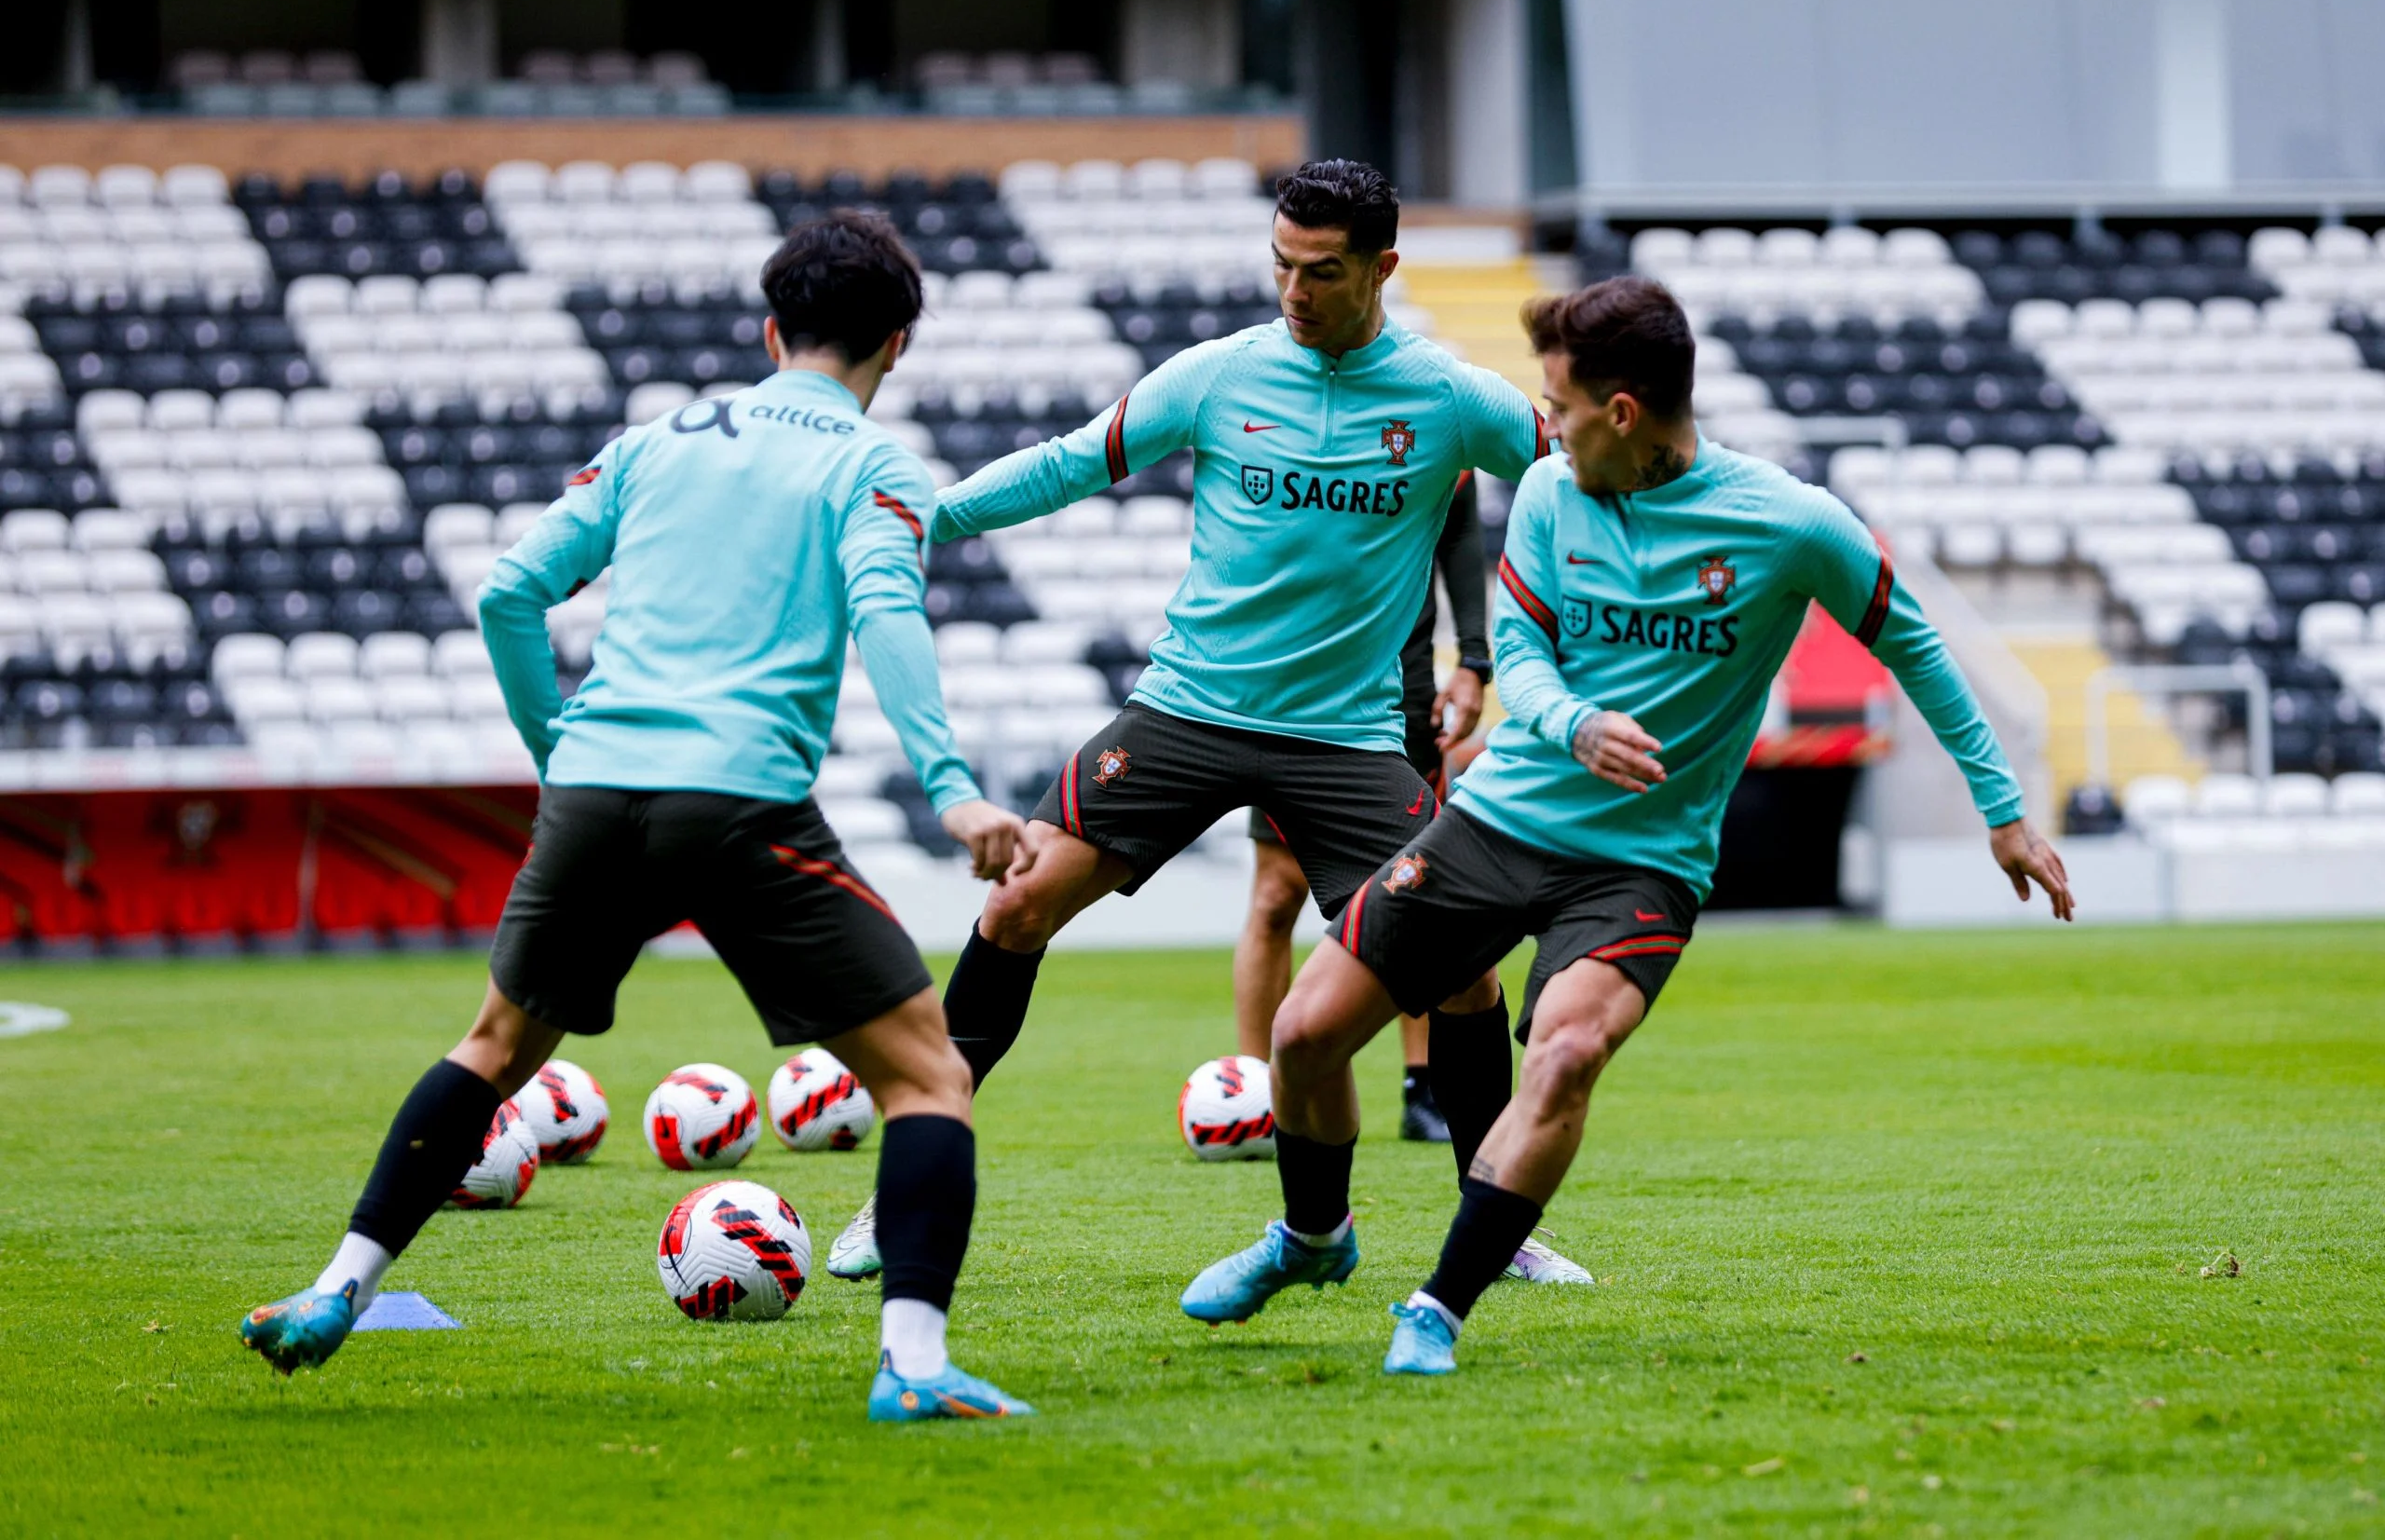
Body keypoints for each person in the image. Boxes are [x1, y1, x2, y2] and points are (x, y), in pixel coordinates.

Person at [1179, 276, 2076, 1371]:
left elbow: (1916, 647)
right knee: (1304, 1035)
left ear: (1621, 411)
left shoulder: (1788, 523)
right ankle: (1311, 1238)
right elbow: (1517, 654)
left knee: (1565, 1054)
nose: (1540, 430)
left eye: (1556, 406)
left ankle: (1439, 1309)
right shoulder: (1554, 494)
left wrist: (2004, 812)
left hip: (1641, 863)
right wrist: (1574, 724)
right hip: (1496, 821)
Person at [238, 212, 1036, 1422]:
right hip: (736, 799)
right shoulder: (872, 467)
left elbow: (509, 589)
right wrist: (951, 788)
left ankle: (336, 1288)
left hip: (597, 790)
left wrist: (558, 748)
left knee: (495, 1046)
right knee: (930, 1077)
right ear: (899, 344)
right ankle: (914, 1370)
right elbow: (888, 615)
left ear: (774, 331)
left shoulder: (657, 438)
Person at [823, 160, 1547, 1281]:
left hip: (1347, 738)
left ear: (1383, 270)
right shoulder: (1218, 375)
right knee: (1015, 907)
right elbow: (1069, 464)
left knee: (1461, 973)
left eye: (1323, 272)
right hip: (1187, 711)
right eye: (1281, 265)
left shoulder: (1450, 399)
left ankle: (1494, 1232)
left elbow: (1581, 473)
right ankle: (900, 1193)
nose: (1295, 291)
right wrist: (927, 520)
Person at [1228, 472, 1592, 1286]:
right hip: (1288, 705)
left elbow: (1461, 545)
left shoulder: (1432, 421)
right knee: (1275, 894)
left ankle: (1483, 1198)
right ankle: (1254, 1088)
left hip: (1398, 706)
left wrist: (1475, 661)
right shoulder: (1282, 421)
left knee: (1459, 953)